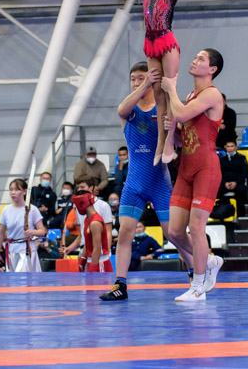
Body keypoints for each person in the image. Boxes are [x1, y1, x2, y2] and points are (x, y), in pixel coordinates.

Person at [86, 0, 219, 165]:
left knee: (169, 89)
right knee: (158, 94)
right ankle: (160, 141)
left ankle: (169, 141)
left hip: (167, 42)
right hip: (150, 43)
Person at [102, 61, 183, 301]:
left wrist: (173, 128)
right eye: (133, 79)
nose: (136, 82)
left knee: (174, 234)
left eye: (141, 78)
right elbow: (121, 110)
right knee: (124, 233)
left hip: (160, 183)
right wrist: (145, 83)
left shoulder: (163, 106)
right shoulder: (129, 108)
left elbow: (179, 141)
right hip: (134, 184)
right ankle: (120, 284)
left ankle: (196, 276)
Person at [160, 48, 226, 302]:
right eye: (196, 57)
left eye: (201, 59)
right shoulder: (190, 96)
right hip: (186, 168)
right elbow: (185, 137)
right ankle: (209, 260)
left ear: (212, 69)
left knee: (196, 227)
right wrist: (173, 131)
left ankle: (198, 287)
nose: (194, 60)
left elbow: (182, 114)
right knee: (174, 232)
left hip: (206, 168)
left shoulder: (212, 94)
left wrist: (170, 89)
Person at [0, 178, 45, 272]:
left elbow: (42, 231)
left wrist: (32, 232)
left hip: (27, 249)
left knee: (24, 278)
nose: (13, 192)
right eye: (11, 189)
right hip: (11, 250)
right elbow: (1, 232)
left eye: (17, 189)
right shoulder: (6, 210)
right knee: (13, 279)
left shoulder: (32, 209)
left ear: (24, 192)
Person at [72, 190, 112, 272]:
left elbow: (97, 248)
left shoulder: (95, 222)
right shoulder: (87, 219)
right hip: (92, 260)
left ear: (81, 203)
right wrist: (83, 259)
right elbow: (88, 242)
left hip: (100, 263)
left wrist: (93, 268)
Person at [219, 141, 248, 213]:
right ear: (225, 148)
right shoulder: (221, 160)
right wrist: (225, 183)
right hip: (225, 183)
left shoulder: (241, 158)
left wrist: (236, 182)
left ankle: (240, 213)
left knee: (241, 191)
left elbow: (244, 173)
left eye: (232, 146)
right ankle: (221, 212)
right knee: (215, 191)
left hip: (238, 183)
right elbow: (219, 174)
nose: (230, 148)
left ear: (236, 147)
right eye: (228, 146)